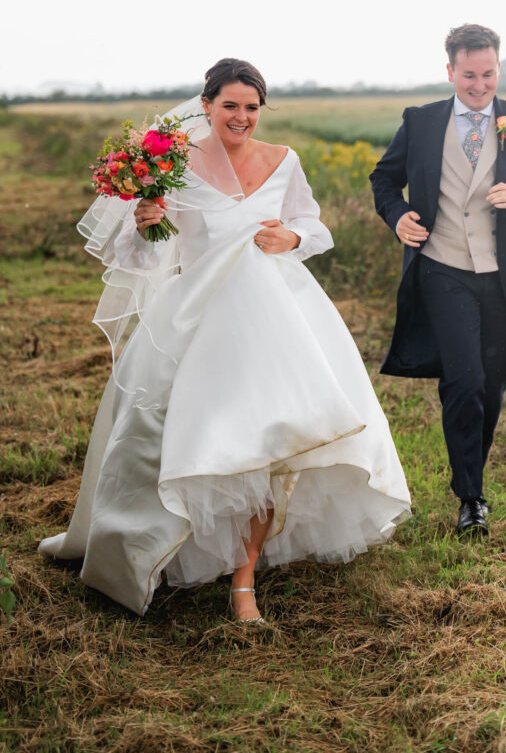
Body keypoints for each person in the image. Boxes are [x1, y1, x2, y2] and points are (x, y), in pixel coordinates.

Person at [39, 58, 410, 620]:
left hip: (278, 318)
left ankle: (245, 578)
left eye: (252, 108)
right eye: (230, 105)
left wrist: (291, 235)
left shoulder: (285, 161)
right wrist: (146, 223)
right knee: (175, 438)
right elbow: (145, 258)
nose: (241, 117)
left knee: (274, 438)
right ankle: (154, 547)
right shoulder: (171, 167)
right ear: (206, 104)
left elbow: (313, 227)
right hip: (196, 318)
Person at [370, 24, 506, 536]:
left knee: (493, 384)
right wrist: (398, 217)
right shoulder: (421, 121)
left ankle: (472, 476)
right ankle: (471, 499)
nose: (479, 85)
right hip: (443, 268)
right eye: (468, 74)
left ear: (498, 69)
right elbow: (384, 179)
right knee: (464, 379)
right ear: (450, 71)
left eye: (488, 74)